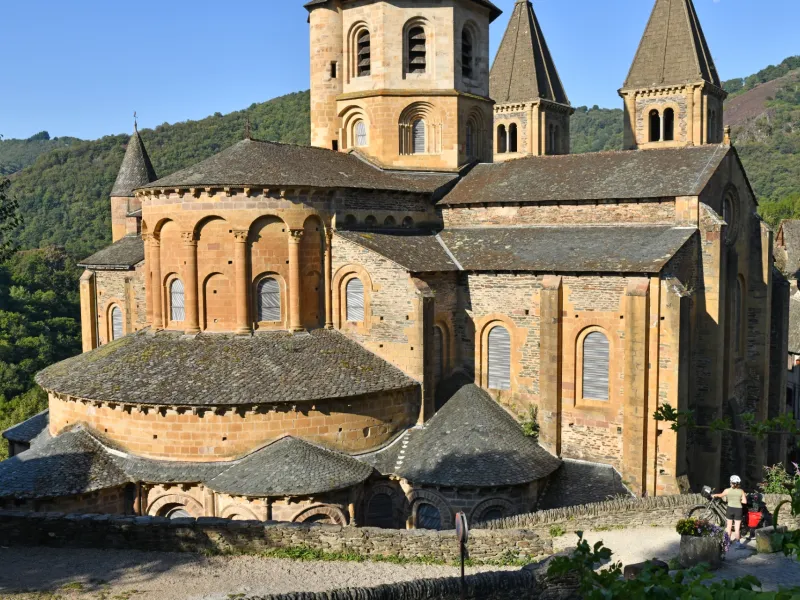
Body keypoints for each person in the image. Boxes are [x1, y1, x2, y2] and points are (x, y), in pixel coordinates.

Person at [713, 475, 747, 548]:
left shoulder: (727, 490)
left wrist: (714, 495)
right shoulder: (741, 491)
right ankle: (738, 544)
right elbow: (744, 502)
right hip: (738, 510)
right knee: (737, 528)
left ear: (731, 482)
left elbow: (720, 495)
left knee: (729, 527)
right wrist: (738, 500)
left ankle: (727, 542)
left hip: (730, 509)